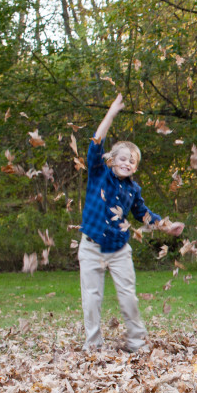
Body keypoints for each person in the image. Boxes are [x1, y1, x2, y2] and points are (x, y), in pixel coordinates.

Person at [78, 93, 184, 353]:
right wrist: (111, 113)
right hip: (91, 246)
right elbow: (95, 143)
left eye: (132, 161)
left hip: (118, 249)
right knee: (92, 299)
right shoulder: (98, 173)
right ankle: (93, 345)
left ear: (135, 168)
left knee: (128, 297)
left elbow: (143, 214)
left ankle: (137, 342)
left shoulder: (132, 190)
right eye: (122, 158)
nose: (127, 163)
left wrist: (165, 226)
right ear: (112, 160)